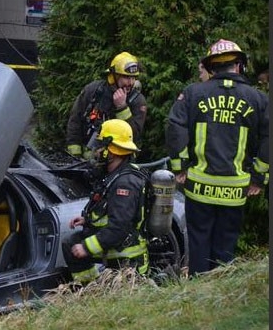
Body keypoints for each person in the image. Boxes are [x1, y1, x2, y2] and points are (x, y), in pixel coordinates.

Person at [166, 39, 269, 276]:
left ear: (211, 66)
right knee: (225, 248)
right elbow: (268, 140)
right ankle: (219, 289)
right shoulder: (258, 99)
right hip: (234, 191)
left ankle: (199, 288)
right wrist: (258, 178)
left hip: (199, 188)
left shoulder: (193, 93)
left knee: (199, 245)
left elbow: (175, 127)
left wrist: (180, 167)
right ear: (239, 66)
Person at [62, 119, 149, 283]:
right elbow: (109, 209)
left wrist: (86, 247)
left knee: (76, 245)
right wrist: (88, 220)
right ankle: (90, 288)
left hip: (127, 261)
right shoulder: (115, 175)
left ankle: (92, 288)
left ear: (112, 152)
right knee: (71, 243)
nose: (95, 151)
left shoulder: (125, 183)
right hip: (117, 249)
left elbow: (119, 227)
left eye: (100, 146)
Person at [66, 52, 148, 158]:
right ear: (114, 76)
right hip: (87, 159)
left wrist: (122, 108)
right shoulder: (94, 91)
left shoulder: (137, 101)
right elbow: (75, 122)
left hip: (119, 160)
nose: (131, 82)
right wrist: (75, 155)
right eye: (126, 77)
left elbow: (134, 135)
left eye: (133, 78)